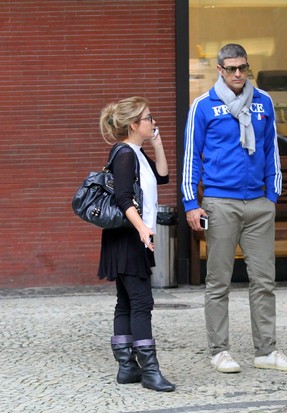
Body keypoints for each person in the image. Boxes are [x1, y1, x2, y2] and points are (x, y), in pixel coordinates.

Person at [181, 43, 287, 374]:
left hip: (259, 205)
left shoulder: (263, 102)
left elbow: (271, 151)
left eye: (243, 68)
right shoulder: (203, 106)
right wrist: (191, 203)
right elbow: (192, 156)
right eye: (231, 68)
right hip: (220, 203)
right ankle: (220, 351)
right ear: (219, 69)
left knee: (264, 280)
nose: (238, 74)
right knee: (218, 281)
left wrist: (272, 198)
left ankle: (266, 351)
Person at [97, 97, 175, 392]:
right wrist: (143, 228)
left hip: (130, 237)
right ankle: (150, 371)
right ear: (133, 125)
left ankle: (128, 368)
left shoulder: (136, 153)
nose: (153, 122)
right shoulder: (124, 154)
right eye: (149, 118)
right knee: (141, 302)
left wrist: (157, 144)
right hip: (130, 238)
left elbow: (164, 177)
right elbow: (123, 198)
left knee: (127, 302)